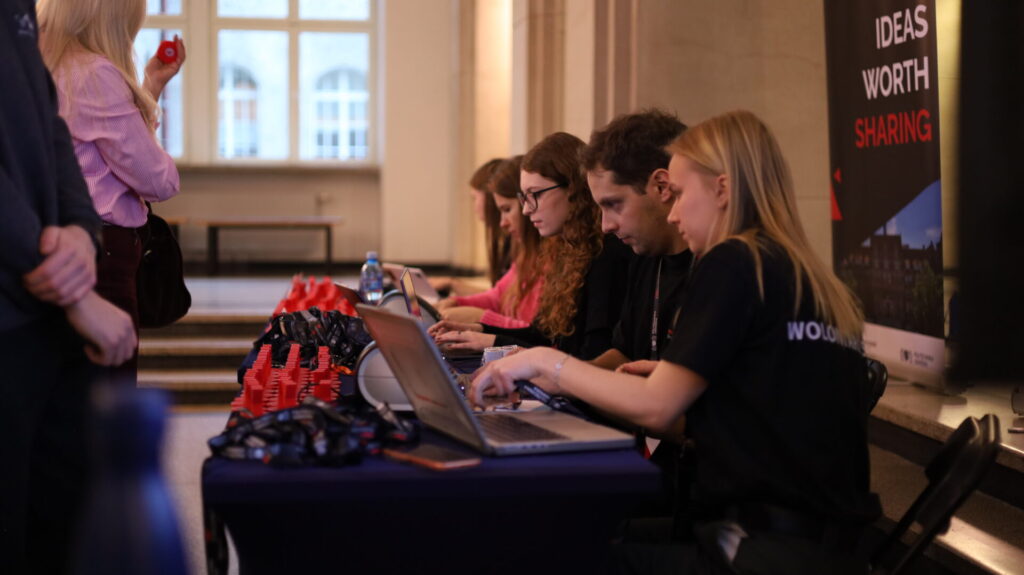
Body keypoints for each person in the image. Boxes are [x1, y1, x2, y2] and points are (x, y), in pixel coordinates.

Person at [471, 111, 881, 574]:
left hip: (755, 549)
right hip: (818, 549)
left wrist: (547, 365)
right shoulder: (802, 273)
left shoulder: (734, 262)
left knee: (533, 548)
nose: (672, 211)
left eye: (682, 194)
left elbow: (656, 409)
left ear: (723, 190)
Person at [1, 0, 137, 571]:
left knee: (61, 521)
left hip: (43, 309)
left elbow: (47, 123)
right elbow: (160, 176)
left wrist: (82, 231)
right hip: (20, 300)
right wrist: (72, 285)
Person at [37, 0, 186, 384]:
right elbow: (157, 180)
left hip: (55, 247)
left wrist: (150, 84)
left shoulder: (40, 65)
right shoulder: (94, 73)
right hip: (102, 255)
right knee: (106, 394)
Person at [431, 132, 634, 360]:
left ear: (574, 190)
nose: (527, 209)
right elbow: (543, 335)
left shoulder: (605, 252)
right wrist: (478, 332)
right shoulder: (567, 250)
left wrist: (491, 340)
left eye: (534, 195)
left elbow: (590, 356)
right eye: (524, 198)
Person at [436, 156, 545, 328]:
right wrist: (456, 302)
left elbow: (537, 336)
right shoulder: (527, 253)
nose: (503, 222)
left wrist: (481, 317)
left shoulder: (549, 258)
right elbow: (499, 295)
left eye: (507, 209)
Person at [429, 157, 510, 297]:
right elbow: (498, 297)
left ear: (491, 199)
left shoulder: (516, 246)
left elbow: (503, 301)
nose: (474, 207)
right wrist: (453, 284)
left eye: (475, 198)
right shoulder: (508, 243)